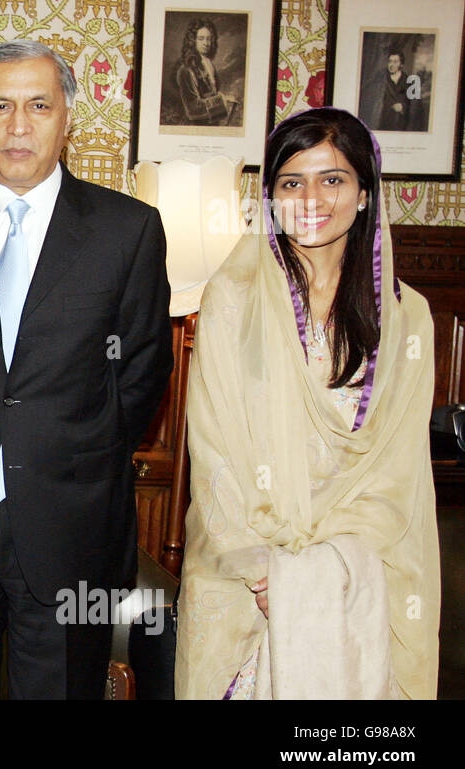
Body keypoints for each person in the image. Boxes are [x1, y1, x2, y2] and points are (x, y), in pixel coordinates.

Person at [0, 40, 172, 699]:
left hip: (71, 526)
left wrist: (68, 452)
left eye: (38, 105)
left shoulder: (126, 230)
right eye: (0, 107)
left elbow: (141, 373)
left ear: (67, 117)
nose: (19, 126)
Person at [176, 107, 440, 699]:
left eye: (334, 179)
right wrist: (264, 570)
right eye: (292, 182)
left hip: (362, 579)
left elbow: (400, 472)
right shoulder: (231, 302)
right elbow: (214, 452)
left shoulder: (408, 319)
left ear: (366, 194)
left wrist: (320, 573)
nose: (311, 198)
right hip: (242, 579)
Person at [173, 18, 238, 125]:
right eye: (201, 39)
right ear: (192, 41)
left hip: (212, 123)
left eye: (209, 39)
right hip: (195, 127)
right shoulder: (186, 70)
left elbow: (212, 94)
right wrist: (223, 100)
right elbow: (192, 109)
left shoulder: (209, 64)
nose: (206, 43)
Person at [376, 50, 411, 131]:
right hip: (383, 121)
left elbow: (413, 104)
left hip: (401, 123)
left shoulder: (408, 81)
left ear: (401, 64)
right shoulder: (381, 79)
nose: (391, 65)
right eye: (390, 61)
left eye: (395, 62)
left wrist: (403, 107)